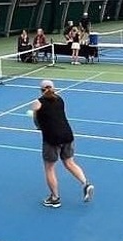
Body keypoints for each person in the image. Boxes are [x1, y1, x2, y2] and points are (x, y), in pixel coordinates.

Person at [30, 79, 93, 208]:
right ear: (54, 88)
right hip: (67, 135)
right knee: (70, 163)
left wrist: (38, 122)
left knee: (49, 168)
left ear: (41, 90)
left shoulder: (37, 103)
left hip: (52, 138)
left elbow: (37, 122)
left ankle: (55, 198)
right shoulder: (60, 99)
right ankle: (86, 183)